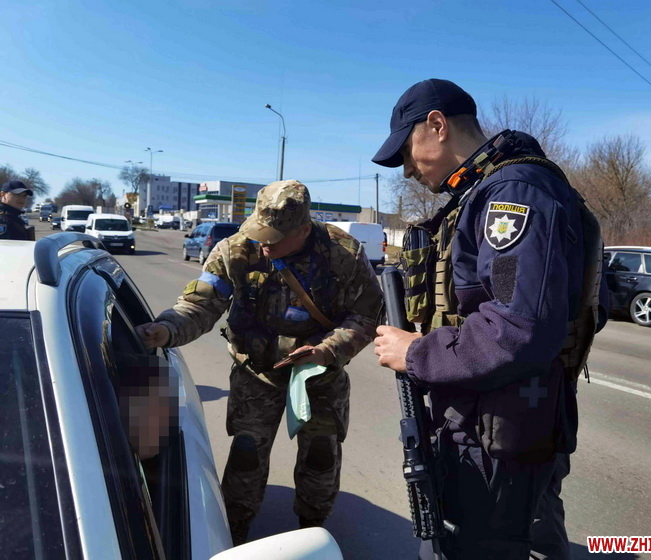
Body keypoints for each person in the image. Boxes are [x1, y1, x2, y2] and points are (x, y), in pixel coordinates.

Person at [372, 79, 608, 559]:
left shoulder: (513, 193)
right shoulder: (485, 191)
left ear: (436, 125)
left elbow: (516, 328)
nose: (408, 171)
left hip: (501, 436)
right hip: (498, 425)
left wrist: (415, 353)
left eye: (406, 153)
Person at [136, 179, 383, 545]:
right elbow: (201, 304)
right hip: (257, 372)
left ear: (303, 230)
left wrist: (326, 350)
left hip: (319, 375)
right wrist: (167, 329)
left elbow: (367, 314)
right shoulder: (236, 249)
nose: (265, 246)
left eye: (275, 239)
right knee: (246, 454)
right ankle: (234, 534)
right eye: (261, 234)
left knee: (321, 455)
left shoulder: (342, 253)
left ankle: (312, 532)